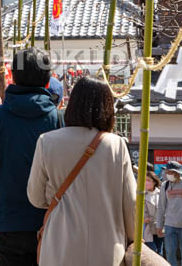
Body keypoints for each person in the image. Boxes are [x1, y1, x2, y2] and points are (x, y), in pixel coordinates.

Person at [26, 76, 136, 266]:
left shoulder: (47, 141)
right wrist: (134, 236)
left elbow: (35, 198)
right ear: (108, 107)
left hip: (59, 248)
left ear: (73, 104)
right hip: (107, 249)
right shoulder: (116, 145)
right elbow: (131, 202)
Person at [0, 47, 61, 266]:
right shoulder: (58, 119)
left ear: (14, 75)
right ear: (47, 80)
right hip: (50, 220)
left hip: (9, 218)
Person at [155, 161, 182, 266]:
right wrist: (159, 225)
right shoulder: (165, 185)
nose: (169, 174)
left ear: (177, 173)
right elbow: (161, 207)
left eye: (171, 172)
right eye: (167, 171)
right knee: (169, 253)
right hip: (169, 225)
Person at [141, 171, 162, 256]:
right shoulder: (141, 194)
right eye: (145, 180)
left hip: (160, 227)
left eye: (148, 180)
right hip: (147, 228)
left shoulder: (161, 194)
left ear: (154, 182)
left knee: (160, 253)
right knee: (152, 251)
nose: (146, 182)